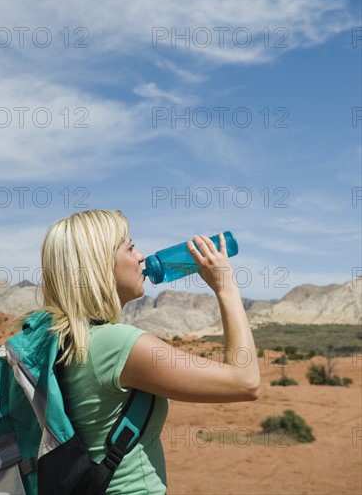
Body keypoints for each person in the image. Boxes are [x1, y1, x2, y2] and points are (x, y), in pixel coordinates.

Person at [37, 209, 260, 494]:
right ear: (99, 264)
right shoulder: (116, 345)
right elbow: (246, 381)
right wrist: (226, 287)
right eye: (130, 247)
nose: (141, 256)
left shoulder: (62, 338)